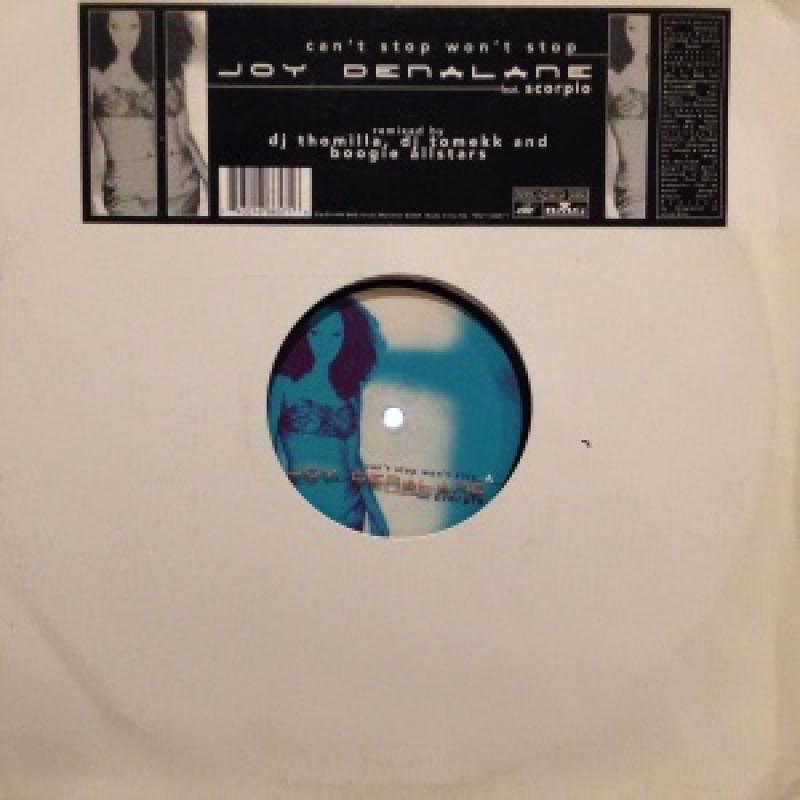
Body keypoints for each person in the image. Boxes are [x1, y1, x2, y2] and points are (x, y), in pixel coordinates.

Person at [268, 300, 390, 536]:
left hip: (349, 512)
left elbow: (353, 459)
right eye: (316, 333)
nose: (325, 344)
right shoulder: (282, 384)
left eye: (335, 335)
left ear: (349, 338)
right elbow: (266, 452)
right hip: (300, 509)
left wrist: (376, 515)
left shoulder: (350, 391)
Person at [88, 10, 207, 216]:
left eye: (133, 26)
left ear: (146, 26)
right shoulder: (95, 77)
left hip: (184, 188)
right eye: (115, 26)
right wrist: (92, 200)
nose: (123, 35)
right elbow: (88, 147)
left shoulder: (172, 72)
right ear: (104, 27)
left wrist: (208, 178)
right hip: (127, 193)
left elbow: (184, 134)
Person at [606, 14, 649, 219]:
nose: (640, 38)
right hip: (631, 198)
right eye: (631, 28)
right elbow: (606, 146)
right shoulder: (613, 81)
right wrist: (607, 201)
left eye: (647, 28)